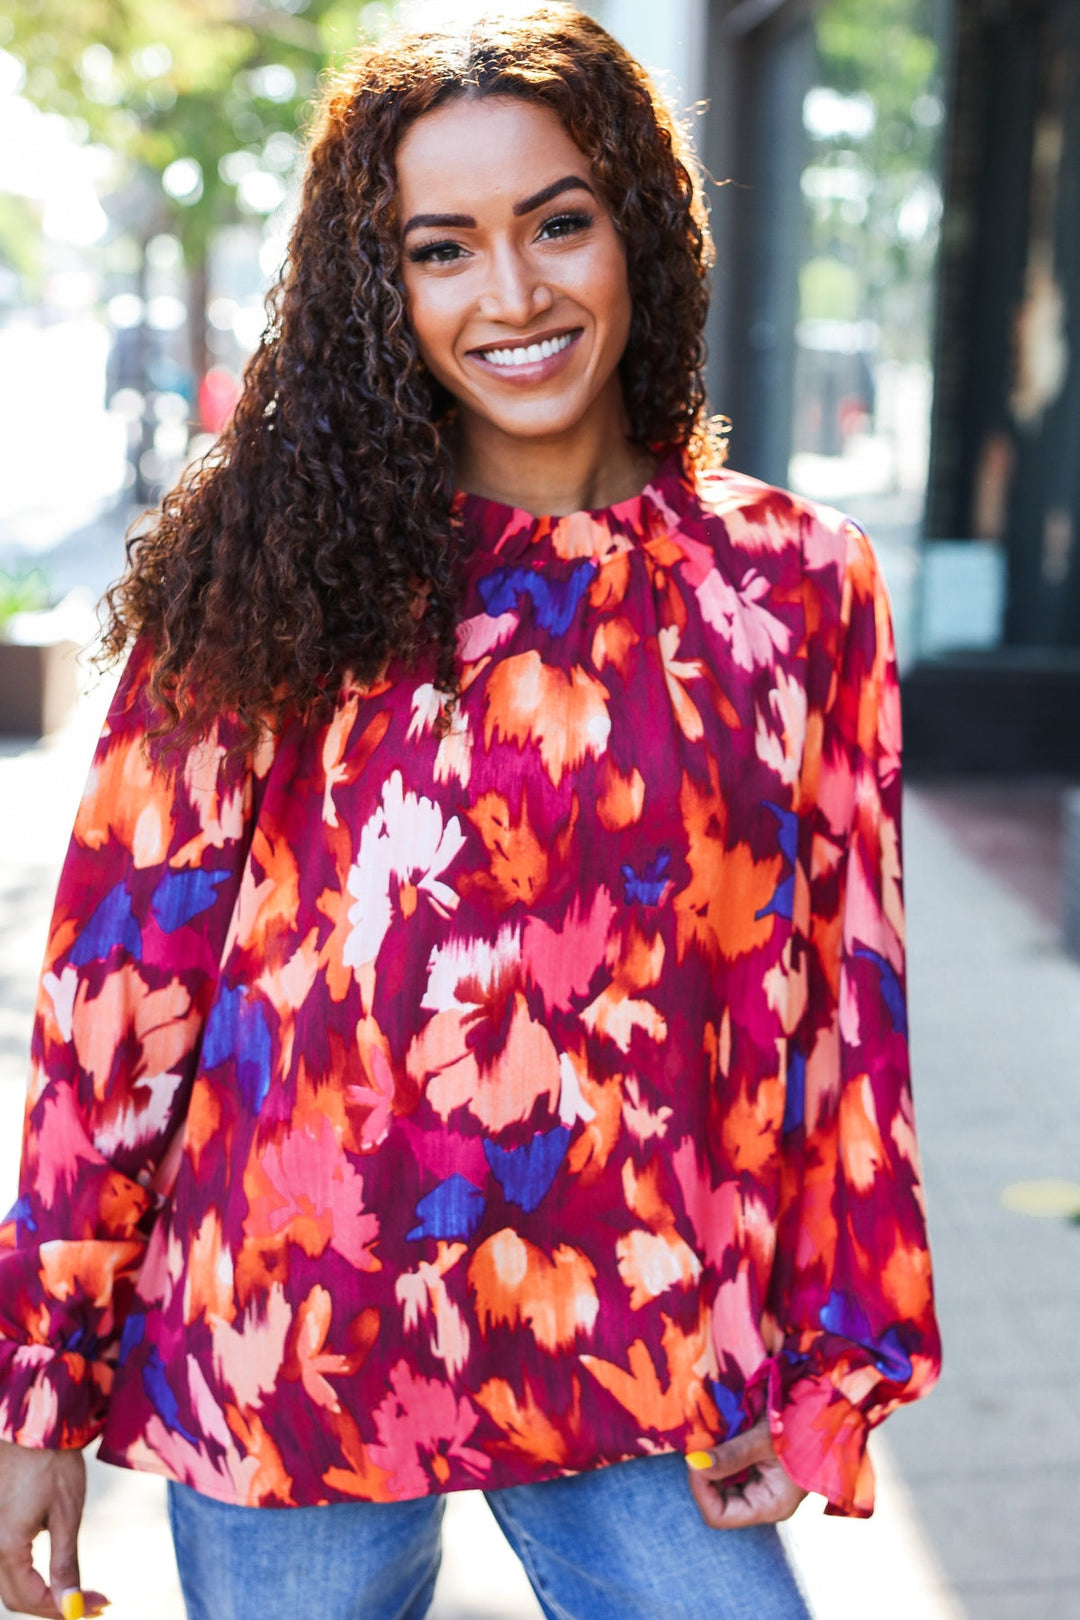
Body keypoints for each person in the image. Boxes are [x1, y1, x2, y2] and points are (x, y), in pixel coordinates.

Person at [0, 7, 941, 1618]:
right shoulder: (274, 562)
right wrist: (40, 1380)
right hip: (291, 1341)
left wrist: (838, 1355)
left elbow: (844, 1002)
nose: (511, 296)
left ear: (638, 224)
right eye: (443, 249)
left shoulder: (796, 582)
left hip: (641, 1345)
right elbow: (119, 987)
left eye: (557, 223)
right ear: (386, 288)